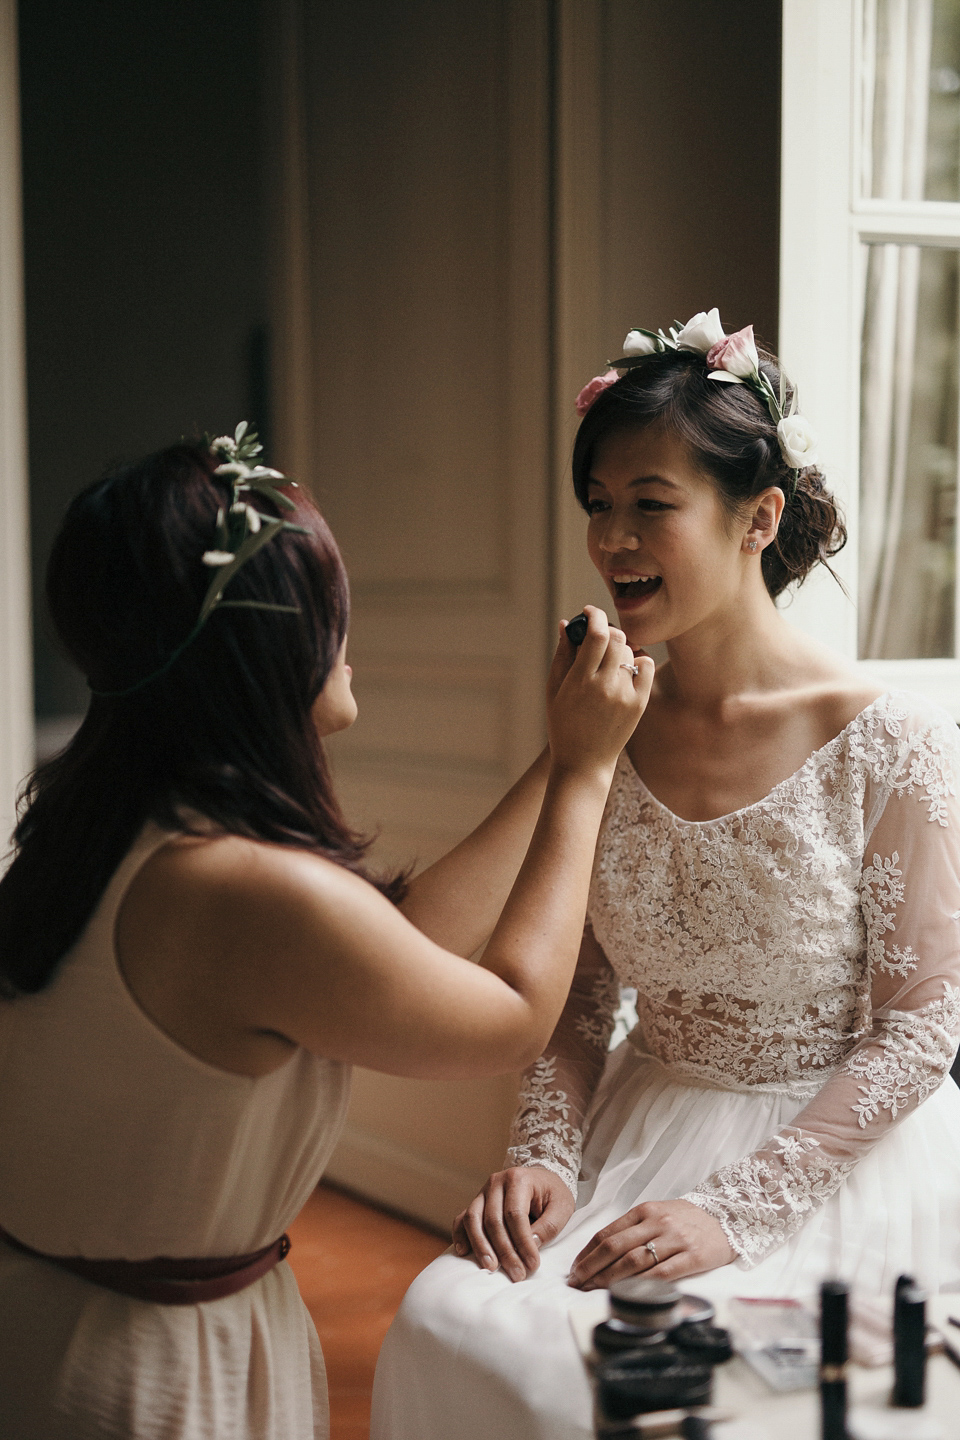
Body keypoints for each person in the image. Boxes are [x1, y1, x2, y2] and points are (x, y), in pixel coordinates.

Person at [371, 312, 960, 1440]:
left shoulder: (892, 741)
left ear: (760, 517)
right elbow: (581, 1002)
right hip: (640, 1131)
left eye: (651, 503)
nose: (611, 537)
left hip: (839, 1161)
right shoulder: (604, 724)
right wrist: (542, 1158)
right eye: (597, 503)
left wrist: (731, 1213)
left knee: (685, 1406)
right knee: (448, 1318)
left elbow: (922, 1031)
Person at [0, 426, 650, 1440]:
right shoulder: (241, 889)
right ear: (266, 644)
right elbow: (513, 1017)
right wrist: (585, 775)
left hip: (61, 1321)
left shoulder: (128, 825)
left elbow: (392, 948)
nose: (350, 640)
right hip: (145, 1371)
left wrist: (559, 753)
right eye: (329, 615)